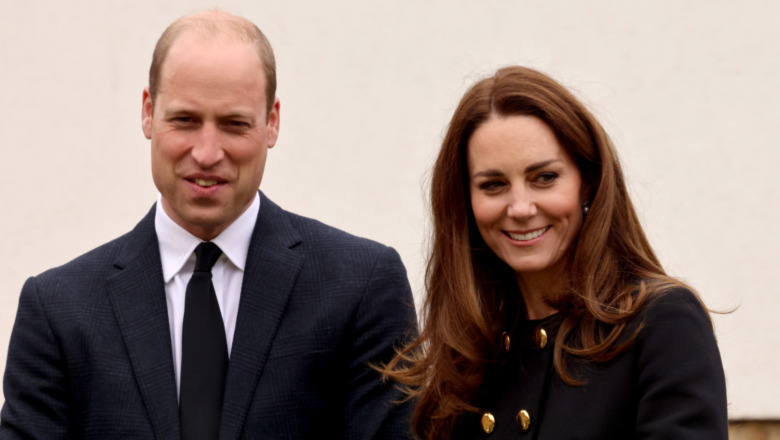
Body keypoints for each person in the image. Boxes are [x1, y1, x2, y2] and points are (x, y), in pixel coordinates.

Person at [1, 10, 416, 439]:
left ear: (272, 121)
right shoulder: (57, 310)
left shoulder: (360, 286)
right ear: (148, 112)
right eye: (185, 120)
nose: (207, 152)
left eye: (234, 124)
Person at [381, 66, 727, 439]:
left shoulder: (660, 321)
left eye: (544, 178)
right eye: (493, 185)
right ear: (465, 202)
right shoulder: (469, 355)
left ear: (588, 182)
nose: (520, 207)